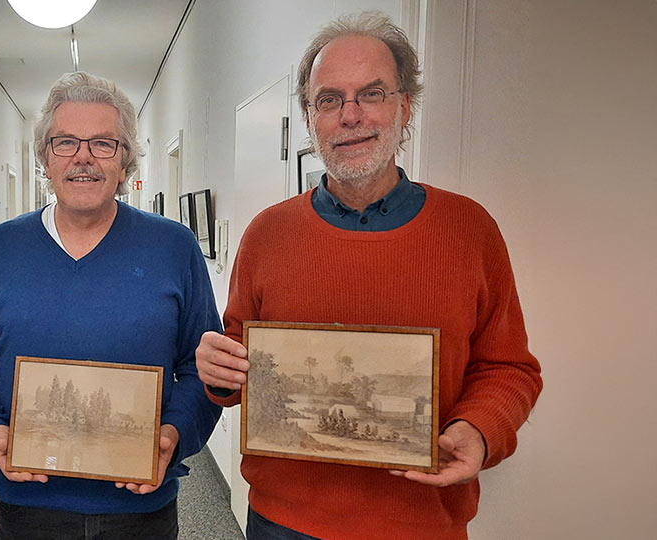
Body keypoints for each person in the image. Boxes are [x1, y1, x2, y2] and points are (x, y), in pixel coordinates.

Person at [196, 12, 543, 540]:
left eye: (372, 94)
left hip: (421, 523)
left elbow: (509, 368)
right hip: (282, 523)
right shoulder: (267, 234)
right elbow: (242, 358)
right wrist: (218, 373)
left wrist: (480, 428)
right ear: (311, 119)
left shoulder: (470, 229)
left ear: (405, 106)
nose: (350, 116)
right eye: (329, 99)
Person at [0, 72, 222, 540]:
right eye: (65, 142)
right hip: (28, 502)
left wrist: (173, 436)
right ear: (44, 159)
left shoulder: (173, 247)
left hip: (140, 505)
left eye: (102, 144)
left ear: (125, 160)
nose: (83, 158)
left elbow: (202, 368)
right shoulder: (1, 249)